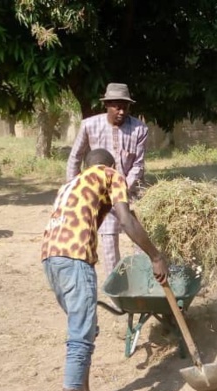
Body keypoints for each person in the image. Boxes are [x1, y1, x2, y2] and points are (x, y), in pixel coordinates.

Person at [42, 149, 168, 391]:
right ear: (110, 165)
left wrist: (135, 219)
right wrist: (156, 256)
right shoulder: (111, 174)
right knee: (80, 340)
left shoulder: (72, 184)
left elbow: (122, 213)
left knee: (87, 328)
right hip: (75, 259)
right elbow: (125, 220)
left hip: (51, 260)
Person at [67, 83, 148, 281]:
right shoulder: (89, 125)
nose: (121, 111)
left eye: (125, 107)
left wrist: (123, 189)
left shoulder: (139, 129)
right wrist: (74, 189)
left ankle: (141, 280)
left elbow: (138, 165)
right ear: (107, 105)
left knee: (140, 239)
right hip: (99, 194)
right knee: (109, 241)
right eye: (116, 106)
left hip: (132, 192)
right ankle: (118, 288)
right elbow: (75, 158)